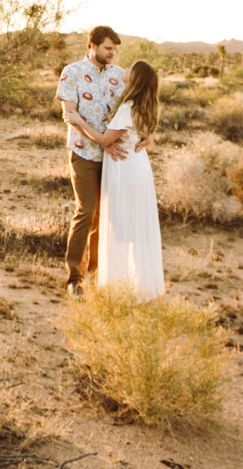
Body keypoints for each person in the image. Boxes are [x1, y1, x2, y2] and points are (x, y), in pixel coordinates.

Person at [55, 25, 127, 297]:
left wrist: (145, 136)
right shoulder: (71, 73)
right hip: (83, 152)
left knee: (103, 215)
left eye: (114, 49)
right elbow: (70, 115)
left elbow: (134, 110)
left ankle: (97, 272)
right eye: (108, 48)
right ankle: (74, 277)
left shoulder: (119, 76)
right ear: (93, 46)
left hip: (111, 157)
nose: (112, 53)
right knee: (85, 211)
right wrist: (101, 139)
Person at [97, 59, 165, 300]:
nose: (123, 69)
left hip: (125, 169)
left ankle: (120, 286)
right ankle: (140, 285)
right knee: (135, 226)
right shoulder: (145, 106)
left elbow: (106, 140)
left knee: (122, 225)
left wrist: (77, 121)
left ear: (134, 77)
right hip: (138, 167)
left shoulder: (128, 107)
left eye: (129, 68)